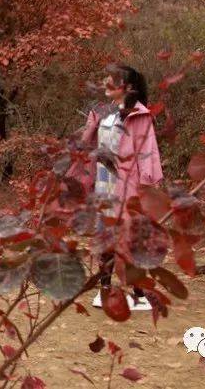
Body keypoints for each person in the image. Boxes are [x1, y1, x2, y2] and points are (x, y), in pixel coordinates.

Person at [68, 65, 163, 311]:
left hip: (129, 187)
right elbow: (88, 145)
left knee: (131, 238)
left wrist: (149, 186)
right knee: (105, 236)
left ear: (126, 87)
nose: (106, 83)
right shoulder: (103, 113)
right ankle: (104, 290)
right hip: (104, 184)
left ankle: (139, 295)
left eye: (111, 80)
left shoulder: (140, 115)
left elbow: (148, 152)